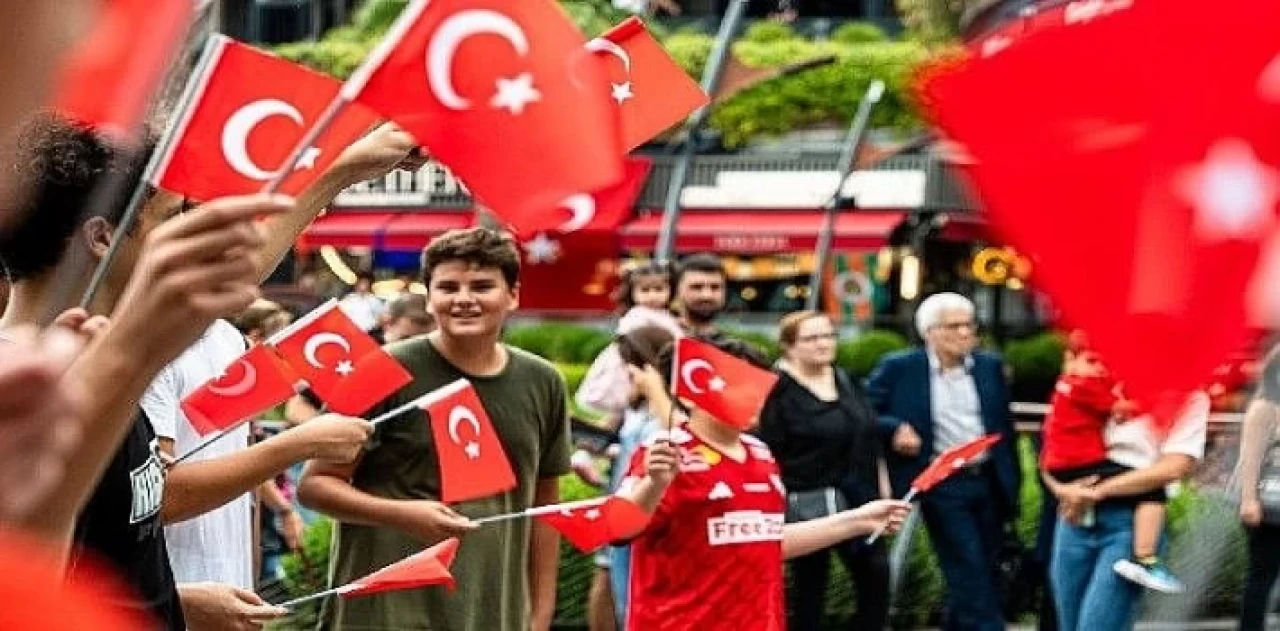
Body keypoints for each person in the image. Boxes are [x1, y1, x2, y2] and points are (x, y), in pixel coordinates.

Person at [0, 114, 296, 627]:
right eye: (173, 215)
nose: (188, 232)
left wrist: (174, 600)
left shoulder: (95, 356)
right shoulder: (22, 394)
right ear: (103, 238)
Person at [139, 122, 418, 591]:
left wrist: (246, 580)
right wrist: (296, 445)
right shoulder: (144, 345)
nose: (246, 234)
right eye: (204, 216)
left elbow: (233, 468)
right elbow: (156, 498)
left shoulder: (225, 337)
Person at [299, 227, 573, 631]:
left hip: (492, 608)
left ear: (512, 295)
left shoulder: (543, 381)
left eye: (482, 286)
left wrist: (540, 613)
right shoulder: (378, 371)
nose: (464, 299)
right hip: (386, 610)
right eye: (448, 287)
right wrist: (402, 515)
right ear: (429, 297)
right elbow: (315, 485)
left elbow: (545, 508)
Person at [613, 336, 912, 630]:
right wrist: (653, 483)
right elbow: (617, 530)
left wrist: (859, 520)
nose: (753, 394)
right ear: (692, 392)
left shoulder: (760, 454)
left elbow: (768, 542)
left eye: (757, 383)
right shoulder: (666, 455)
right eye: (738, 382)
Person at [867, 292, 1020, 631]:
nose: (965, 333)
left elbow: (1004, 426)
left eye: (970, 325)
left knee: (987, 564)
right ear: (929, 331)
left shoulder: (989, 366)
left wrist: (1013, 482)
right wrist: (894, 430)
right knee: (966, 561)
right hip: (941, 481)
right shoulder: (900, 367)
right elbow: (866, 409)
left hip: (988, 478)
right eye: (954, 326)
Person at [757, 311, 892, 631]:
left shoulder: (846, 379)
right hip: (804, 499)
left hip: (857, 495)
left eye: (829, 336)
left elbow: (870, 437)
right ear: (789, 347)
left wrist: (883, 485)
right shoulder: (777, 390)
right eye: (812, 338)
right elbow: (766, 450)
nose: (823, 344)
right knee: (809, 586)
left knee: (876, 575)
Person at [1047, 389, 1207, 631]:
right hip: (1074, 518)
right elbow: (1053, 445)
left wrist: (1100, 490)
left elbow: (1173, 467)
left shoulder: (1190, 394)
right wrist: (1061, 489)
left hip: (1132, 524)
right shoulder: (1096, 377)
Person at [1040, 331, 1181, 593]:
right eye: (1092, 361)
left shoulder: (1071, 383)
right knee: (1153, 489)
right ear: (1069, 360)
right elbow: (1121, 409)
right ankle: (1145, 559)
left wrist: (1069, 490)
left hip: (1070, 473)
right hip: (1082, 467)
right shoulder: (1083, 384)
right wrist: (1156, 404)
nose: (1100, 369)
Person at [585, 325, 675, 630]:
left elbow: (684, 438)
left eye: (630, 367)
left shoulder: (670, 408)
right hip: (624, 514)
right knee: (625, 604)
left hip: (654, 520)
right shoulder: (635, 409)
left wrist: (656, 390)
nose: (627, 376)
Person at [1236, 346, 1280, 631]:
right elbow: (1250, 458)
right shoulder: (1265, 408)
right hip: (1268, 509)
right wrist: (1249, 500)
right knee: (1261, 577)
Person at [673, 253, 728, 340]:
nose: (707, 295)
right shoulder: (658, 341)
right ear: (677, 291)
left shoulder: (738, 350)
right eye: (697, 287)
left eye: (715, 287)